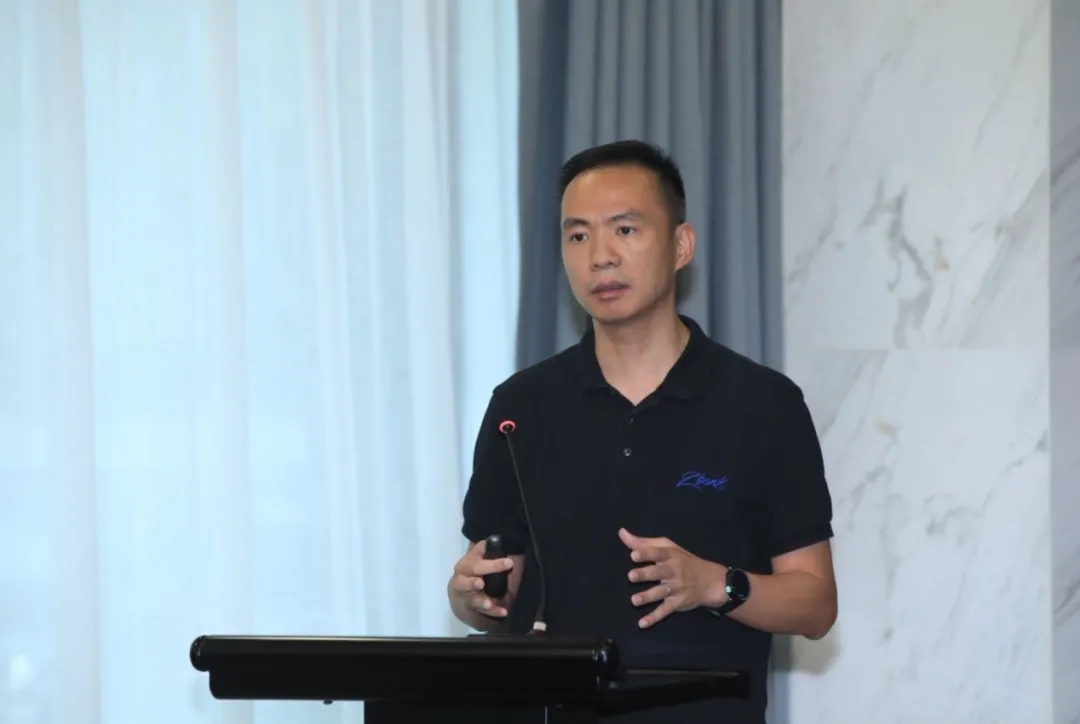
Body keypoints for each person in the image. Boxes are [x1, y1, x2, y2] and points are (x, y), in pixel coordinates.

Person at [447, 140, 837, 723]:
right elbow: (494, 599)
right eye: (578, 236)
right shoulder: (521, 407)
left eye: (625, 230)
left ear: (681, 245)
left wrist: (715, 584)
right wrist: (470, 599)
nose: (600, 257)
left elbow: (815, 604)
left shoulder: (763, 405)